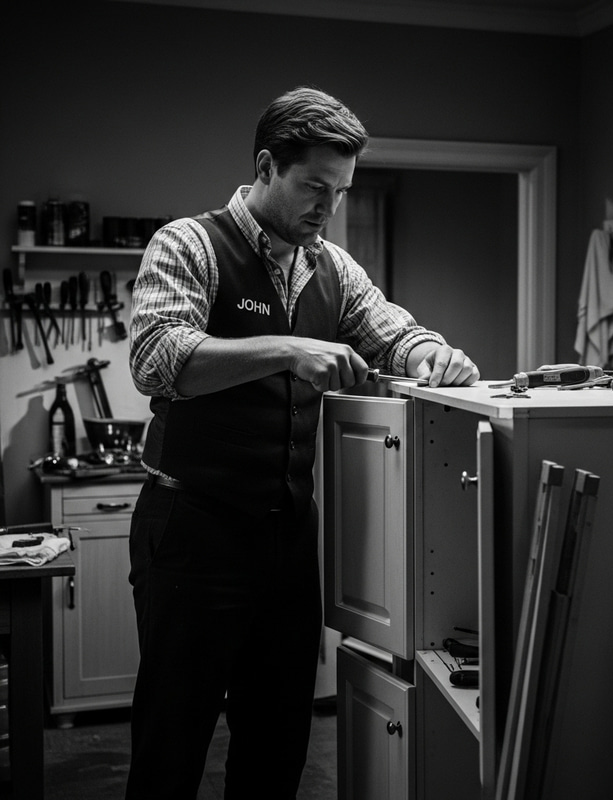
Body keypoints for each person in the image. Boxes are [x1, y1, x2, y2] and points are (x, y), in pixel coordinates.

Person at [125, 85, 480, 799]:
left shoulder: (332, 267)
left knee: (278, 742)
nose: (329, 207)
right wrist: (288, 348)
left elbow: (394, 331)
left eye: (340, 191)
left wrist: (432, 355)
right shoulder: (190, 244)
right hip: (192, 530)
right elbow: (157, 359)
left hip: (286, 538)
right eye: (315, 187)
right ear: (266, 166)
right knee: (171, 745)